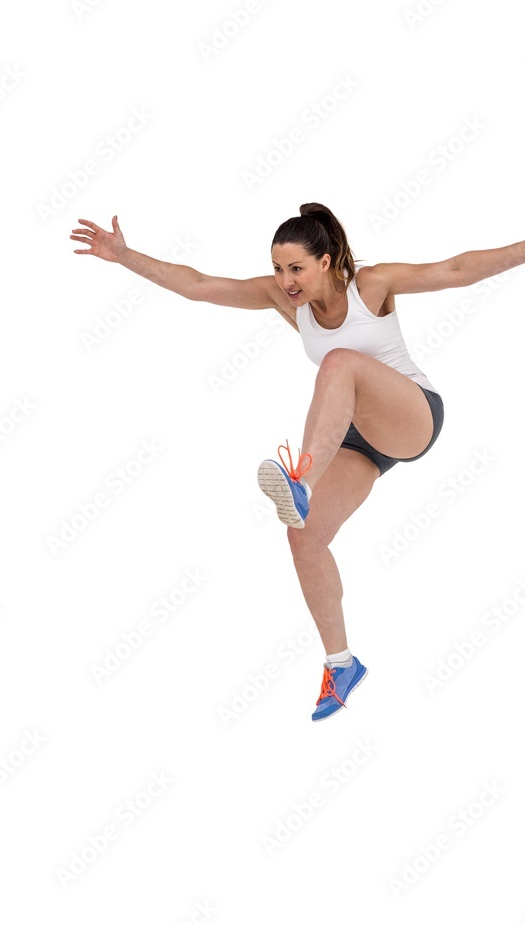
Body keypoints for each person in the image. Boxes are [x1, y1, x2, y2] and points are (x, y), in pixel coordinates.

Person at [70, 204, 524, 721]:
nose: (285, 281)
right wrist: (124, 256)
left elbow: (457, 270)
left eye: (296, 269)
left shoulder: (371, 286)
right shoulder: (285, 300)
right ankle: (341, 663)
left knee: (339, 361)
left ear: (326, 262)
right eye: (279, 268)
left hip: (412, 416)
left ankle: (299, 479)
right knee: (304, 537)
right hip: (354, 437)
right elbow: (198, 284)